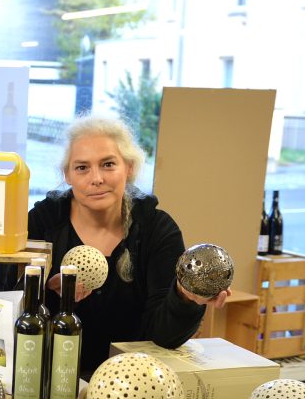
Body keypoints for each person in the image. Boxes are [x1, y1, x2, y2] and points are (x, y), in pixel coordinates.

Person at [28, 114, 229, 378]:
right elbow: (8, 310)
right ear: (67, 174)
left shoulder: (157, 229)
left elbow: (164, 337)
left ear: (129, 168)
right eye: (82, 168)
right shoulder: (41, 223)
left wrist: (185, 298)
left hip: (134, 386)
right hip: (50, 378)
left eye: (108, 164)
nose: (96, 178)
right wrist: (41, 290)